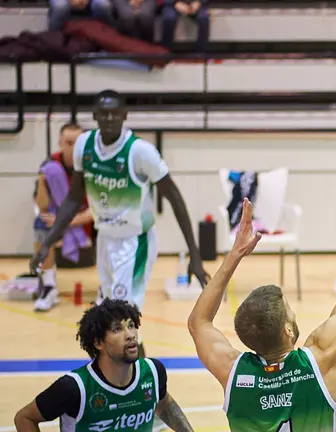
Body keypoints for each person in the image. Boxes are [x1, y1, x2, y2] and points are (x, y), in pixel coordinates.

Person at [187, 145, 336, 431]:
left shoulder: (233, 372)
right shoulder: (319, 358)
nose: (294, 315)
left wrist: (234, 256)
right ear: (288, 330)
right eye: (290, 311)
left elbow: (198, 323)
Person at [30, 90, 209, 356]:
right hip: (105, 238)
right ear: (95, 116)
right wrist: (47, 242)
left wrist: (195, 256)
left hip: (135, 242)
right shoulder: (84, 146)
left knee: (123, 320)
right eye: (104, 113)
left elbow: (175, 199)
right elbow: (73, 198)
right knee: (114, 317)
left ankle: (147, 389)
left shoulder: (140, 152)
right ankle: (127, 382)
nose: (110, 118)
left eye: (116, 113)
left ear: (125, 115)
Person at [14, 299, 193, 432]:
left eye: (131, 326)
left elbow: (164, 404)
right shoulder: (74, 388)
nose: (130, 335)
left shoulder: (153, 372)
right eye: (117, 329)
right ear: (98, 342)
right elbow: (25, 418)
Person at [33, 123, 93, 312]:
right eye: (68, 142)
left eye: (77, 143)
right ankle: (49, 286)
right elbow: (42, 206)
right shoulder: (50, 167)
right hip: (61, 218)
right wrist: (42, 181)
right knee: (41, 225)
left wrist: (67, 221)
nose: (73, 147)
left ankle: (109, 289)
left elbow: (100, 209)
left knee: (112, 223)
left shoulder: (93, 165)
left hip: (86, 219)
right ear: (60, 143)